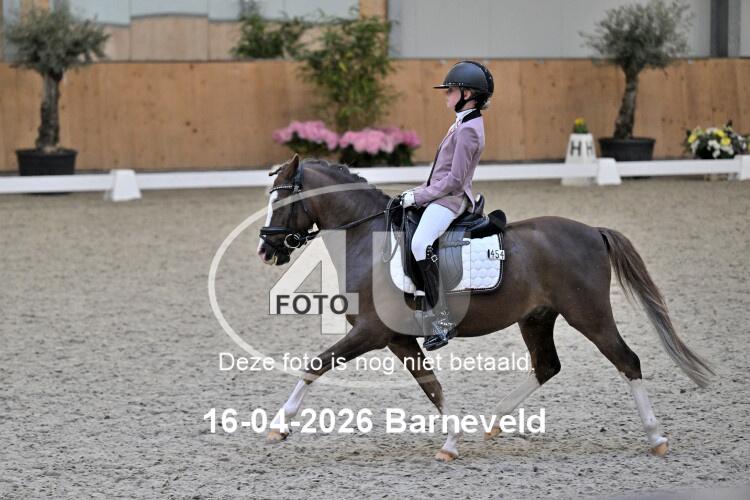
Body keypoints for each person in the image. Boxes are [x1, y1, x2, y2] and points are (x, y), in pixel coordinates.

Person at [400, 60, 493, 351]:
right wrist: (418, 191)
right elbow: (440, 173)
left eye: (451, 90)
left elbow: (455, 180)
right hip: (439, 194)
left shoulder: (468, 130)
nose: (446, 94)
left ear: (468, 94)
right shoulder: (463, 122)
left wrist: (419, 197)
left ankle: (441, 318)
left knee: (420, 244)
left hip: (451, 199)